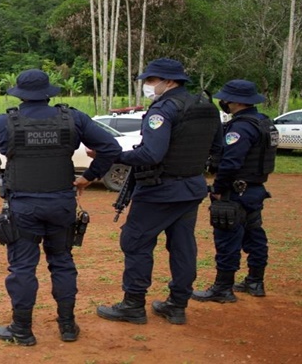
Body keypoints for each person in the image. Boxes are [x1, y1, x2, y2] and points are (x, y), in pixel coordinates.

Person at [0, 69, 122, 345]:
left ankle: (22, 330)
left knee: (22, 268)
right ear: (48, 93)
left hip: (24, 207)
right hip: (62, 204)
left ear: (19, 94)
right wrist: (90, 177)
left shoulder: (3, 122)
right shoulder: (73, 118)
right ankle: (67, 326)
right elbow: (110, 147)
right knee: (63, 263)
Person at [96, 58, 221, 326]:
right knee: (183, 246)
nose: (148, 86)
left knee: (136, 241)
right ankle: (177, 305)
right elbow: (218, 149)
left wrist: (116, 155)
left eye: (152, 81)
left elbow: (151, 153)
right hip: (191, 187)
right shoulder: (206, 107)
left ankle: (133, 304)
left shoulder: (162, 110)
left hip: (159, 190)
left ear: (170, 82)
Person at [192, 80, 277, 303]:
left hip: (235, 191)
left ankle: (223, 288)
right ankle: (255, 281)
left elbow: (230, 163)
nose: (224, 102)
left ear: (237, 101)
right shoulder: (264, 122)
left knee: (227, 239)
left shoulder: (240, 127)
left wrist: (219, 189)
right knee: (254, 235)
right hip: (255, 189)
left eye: (227, 99)